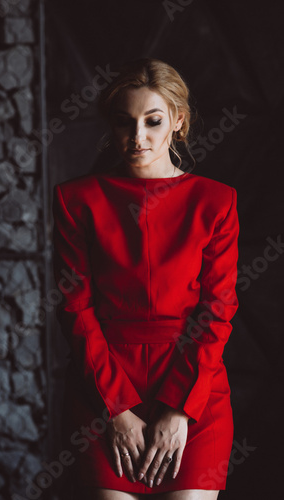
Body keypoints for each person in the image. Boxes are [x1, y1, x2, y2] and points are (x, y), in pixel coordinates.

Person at [52, 58, 239, 500]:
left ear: (177, 121)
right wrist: (115, 410)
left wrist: (179, 410)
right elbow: (74, 307)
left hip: (195, 390)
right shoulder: (77, 200)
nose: (137, 137)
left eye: (153, 121)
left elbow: (218, 310)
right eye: (124, 123)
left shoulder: (215, 201)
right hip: (103, 387)